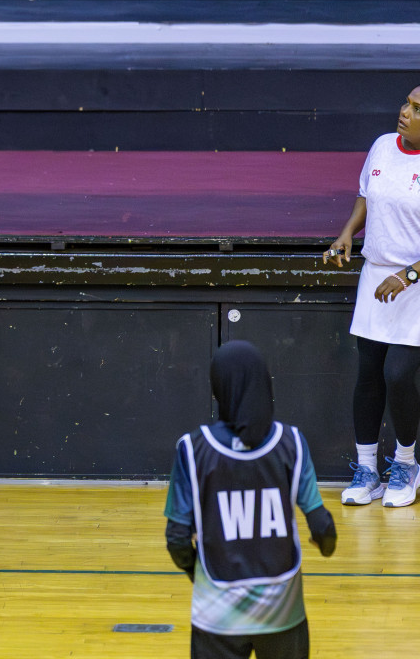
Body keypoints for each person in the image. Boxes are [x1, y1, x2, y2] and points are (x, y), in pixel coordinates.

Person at [163, 340, 336, 659]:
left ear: (217, 389)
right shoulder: (292, 442)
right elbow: (323, 528)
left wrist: (197, 574)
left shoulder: (192, 448)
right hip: (282, 613)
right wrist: (325, 546)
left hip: (217, 617)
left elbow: (176, 539)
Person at [324, 85, 420, 507]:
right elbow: (367, 195)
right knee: (368, 375)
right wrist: (348, 233)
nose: (405, 112)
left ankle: (406, 463)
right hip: (375, 276)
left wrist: (408, 275)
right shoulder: (382, 146)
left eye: (417, 109)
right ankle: (367, 469)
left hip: (414, 284)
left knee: (398, 375)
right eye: (406, 103)